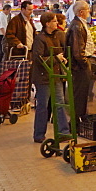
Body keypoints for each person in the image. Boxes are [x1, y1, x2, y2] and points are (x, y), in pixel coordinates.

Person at [31, 12, 70, 144]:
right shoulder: (40, 39)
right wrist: (55, 59)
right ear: (47, 24)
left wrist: (64, 59)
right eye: (54, 21)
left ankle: (64, 132)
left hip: (56, 76)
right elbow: (38, 58)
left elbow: (64, 50)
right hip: (43, 78)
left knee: (60, 104)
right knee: (43, 106)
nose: (56, 23)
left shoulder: (59, 35)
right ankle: (39, 134)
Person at [65, 0, 94, 126]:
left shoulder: (79, 23)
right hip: (79, 66)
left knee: (81, 93)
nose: (89, 12)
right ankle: (76, 122)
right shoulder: (77, 25)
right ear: (81, 12)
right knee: (80, 94)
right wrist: (84, 63)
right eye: (87, 10)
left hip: (80, 64)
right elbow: (77, 50)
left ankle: (79, 118)